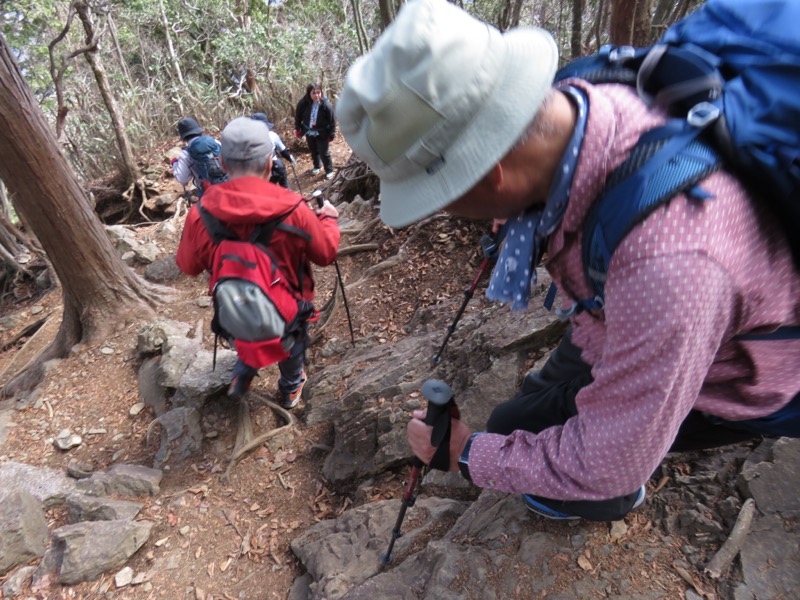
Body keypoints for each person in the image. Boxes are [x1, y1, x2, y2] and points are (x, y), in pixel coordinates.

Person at [338, 0, 800, 521]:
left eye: (441, 195)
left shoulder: (668, 262)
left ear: (490, 175)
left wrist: (465, 454)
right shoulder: (586, 93)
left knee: (554, 452)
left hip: (744, 373)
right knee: (517, 416)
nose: (444, 210)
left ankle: (611, 505)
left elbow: (609, 460)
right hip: (615, 309)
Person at [176, 117, 340, 409]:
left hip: (234, 310)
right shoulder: (294, 209)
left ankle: (243, 373)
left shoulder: (201, 214)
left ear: (222, 164)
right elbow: (325, 254)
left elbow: (188, 266)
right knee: (291, 352)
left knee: (245, 330)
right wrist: (327, 218)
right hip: (289, 315)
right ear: (269, 163)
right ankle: (290, 390)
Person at [170, 117, 226, 199]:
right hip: (230, 186)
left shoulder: (186, 154)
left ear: (183, 137)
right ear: (199, 131)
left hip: (209, 195)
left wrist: (174, 164)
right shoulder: (215, 142)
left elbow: (183, 179)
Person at [295, 83, 336, 180]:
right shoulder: (303, 103)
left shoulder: (326, 104)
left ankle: (329, 170)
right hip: (309, 131)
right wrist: (298, 129)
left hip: (322, 132)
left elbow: (332, 120)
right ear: (309, 93)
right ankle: (317, 166)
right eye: (314, 93)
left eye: (318, 92)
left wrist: (332, 133)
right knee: (313, 150)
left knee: (324, 152)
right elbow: (298, 116)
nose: (317, 95)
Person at [251, 112, 297, 189]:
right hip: (277, 166)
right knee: (285, 189)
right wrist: (290, 158)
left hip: (263, 171)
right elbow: (283, 151)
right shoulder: (272, 135)